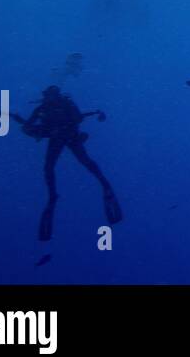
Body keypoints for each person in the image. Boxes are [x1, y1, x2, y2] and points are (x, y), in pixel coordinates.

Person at [13, 85, 122, 241]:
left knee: (83, 162)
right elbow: (29, 128)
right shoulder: (43, 108)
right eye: (48, 96)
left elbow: (77, 118)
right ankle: (54, 194)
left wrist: (53, 127)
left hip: (69, 135)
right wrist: (27, 125)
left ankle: (103, 183)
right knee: (53, 166)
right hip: (60, 137)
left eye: (52, 95)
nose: (50, 98)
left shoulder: (64, 104)